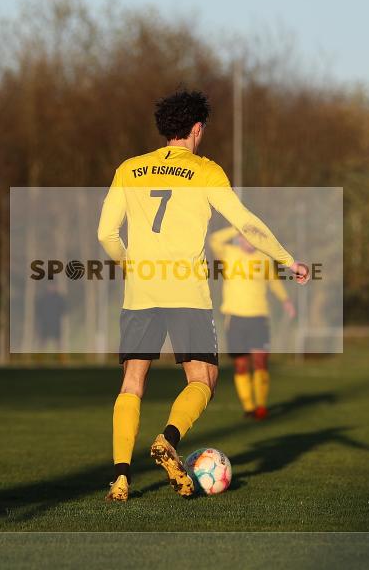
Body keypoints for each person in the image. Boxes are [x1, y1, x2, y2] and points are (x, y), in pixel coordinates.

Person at [97, 89, 309, 502]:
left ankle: (121, 479)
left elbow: (106, 234)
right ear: (196, 129)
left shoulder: (129, 168)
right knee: (203, 379)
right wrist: (286, 259)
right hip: (186, 292)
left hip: (141, 290)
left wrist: (130, 266)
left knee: (132, 382)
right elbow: (246, 223)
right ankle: (168, 438)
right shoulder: (206, 171)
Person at [209, 226, 296, 420]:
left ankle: (261, 406)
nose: (247, 241)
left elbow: (274, 281)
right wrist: (237, 227)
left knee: (260, 361)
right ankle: (248, 407)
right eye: (244, 237)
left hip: (259, 317)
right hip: (235, 318)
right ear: (239, 238)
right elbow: (214, 239)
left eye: (251, 238)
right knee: (241, 364)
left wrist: (286, 300)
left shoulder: (264, 259)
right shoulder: (229, 254)